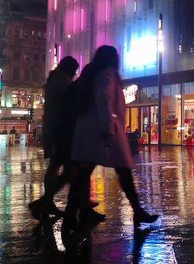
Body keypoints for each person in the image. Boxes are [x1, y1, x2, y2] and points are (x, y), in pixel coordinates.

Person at [65, 46, 158, 230]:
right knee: (123, 171)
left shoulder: (92, 73)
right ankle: (137, 212)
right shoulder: (107, 74)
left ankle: (73, 212)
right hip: (104, 130)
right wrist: (108, 127)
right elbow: (104, 99)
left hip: (90, 130)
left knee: (84, 173)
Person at [28, 56, 80, 219]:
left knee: (57, 166)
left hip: (54, 128)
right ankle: (46, 201)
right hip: (60, 130)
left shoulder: (55, 79)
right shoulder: (62, 81)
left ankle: (48, 201)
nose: (75, 73)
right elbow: (65, 105)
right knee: (68, 169)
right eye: (74, 69)